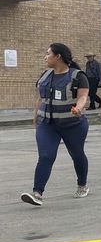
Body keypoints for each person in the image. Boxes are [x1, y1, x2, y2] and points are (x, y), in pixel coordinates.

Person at [21, 43, 91, 206]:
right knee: (46, 156)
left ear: (58, 56)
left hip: (73, 124)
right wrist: (35, 116)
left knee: (77, 154)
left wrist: (78, 108)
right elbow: (41, 98)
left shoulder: (78, 76)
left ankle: (82, 184)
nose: (45, 57)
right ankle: (37, 193)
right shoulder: (45, 75)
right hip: (47, 124)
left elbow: (83, 97)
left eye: (48, 54)